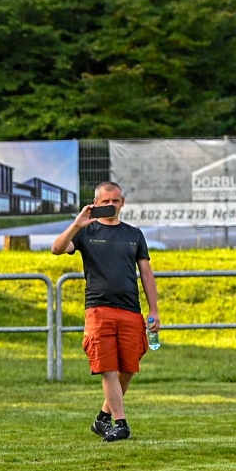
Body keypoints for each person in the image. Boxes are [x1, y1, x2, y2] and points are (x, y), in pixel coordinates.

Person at [50, 182, 161, 443]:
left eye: (116, 200)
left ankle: (102, 418)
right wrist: (77, 224)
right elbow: (56, 248)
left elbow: (146, 273)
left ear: (122, 202)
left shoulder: (134, 234)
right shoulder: (86, 232)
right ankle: (120, 423)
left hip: (131, 310)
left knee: (128, 368)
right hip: (98, 309)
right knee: (108, 367)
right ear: (95, 203)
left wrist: (154, 310)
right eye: (105, 201)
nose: (111, 205)